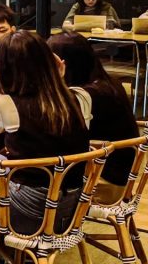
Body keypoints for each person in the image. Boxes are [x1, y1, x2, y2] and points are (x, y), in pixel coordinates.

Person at [0, 30, 91, 263]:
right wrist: (58, 78)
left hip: (27, 214)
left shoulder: (5, 104)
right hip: (70, 210)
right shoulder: (79, 97)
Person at [48, 32, 139, 203]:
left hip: (102, 181)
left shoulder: (87, 95)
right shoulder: (108, 83)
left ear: (64, 64)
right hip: (118, 174)